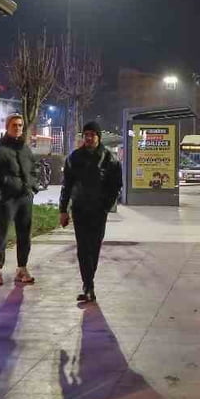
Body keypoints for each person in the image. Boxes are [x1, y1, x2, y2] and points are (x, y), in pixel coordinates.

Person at [59, 121, 123, 303]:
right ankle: (88, 285)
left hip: (98, 211)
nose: (88, 138)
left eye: (92, 135)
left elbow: (116, 186)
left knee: (94, 248)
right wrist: (63, 210)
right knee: (82, 248)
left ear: (98, 137)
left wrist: (105, 206)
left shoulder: (109, 158)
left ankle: (89, 282)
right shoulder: (74, 158)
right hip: (80, 209)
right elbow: (67, 186)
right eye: (86, 134)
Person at [0, 112, 38, 286]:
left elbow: (33, 169)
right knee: (1, 234)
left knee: (24, 235)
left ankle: (22, 268)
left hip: (25, 197)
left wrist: (33, 187)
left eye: (20, 125)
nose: (18, 128)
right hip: (6, 199)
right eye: (14, 125)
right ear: (7, 127)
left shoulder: (25, 148)